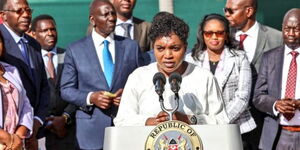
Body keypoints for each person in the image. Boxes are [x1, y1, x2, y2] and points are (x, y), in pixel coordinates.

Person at [114, 13, 228, 126]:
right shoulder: (138, 77)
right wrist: (150, 122)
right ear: (153, 47)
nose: (168, 55)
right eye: (160, 48)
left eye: (175, 48)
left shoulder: (204, 78)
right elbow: (121, 120)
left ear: (185, 47)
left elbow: (222, 120)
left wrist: (189, 119)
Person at [60, 0, 143, 149]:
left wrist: (127, 96)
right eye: (105, 14)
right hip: (90, 132)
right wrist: (91, 97)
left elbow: (143, 84)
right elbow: (66, 90)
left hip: (126, 129)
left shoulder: (131, 46)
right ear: (93, 20)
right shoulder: (75, 50)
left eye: (113, 13)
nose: (111, 17)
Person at [186, 13, 256, 150]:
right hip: (201, 130)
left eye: (219, 33)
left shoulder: (240, 58)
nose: (214, 37)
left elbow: (242, 97)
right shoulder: (191, 60)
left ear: (226, 34)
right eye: (209, 33)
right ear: (202, 34)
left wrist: (219, 122)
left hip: (236, 130)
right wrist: (202, 122)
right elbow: (188, 95)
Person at [224, 0, 283, 148]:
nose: (226, 14)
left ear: (249, 11)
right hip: (231, 119)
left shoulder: (277, 38)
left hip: (266, 118)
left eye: (231, 10)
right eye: (225, 9)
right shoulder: (221, 37)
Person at [0, 0, 49, 149]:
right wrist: (10, 138)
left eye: (28, 10)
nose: (26, 14)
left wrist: (34, 123)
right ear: (4, 15)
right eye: (19, 11)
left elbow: (43, 87)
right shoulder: (1, 40)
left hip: (29, 132)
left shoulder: (34, 44)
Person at [253, 8, 300, 150]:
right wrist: (276, 104)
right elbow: (258, 97)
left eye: (296, 29)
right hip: (277, 135)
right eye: (287, 29)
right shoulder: (269, 57)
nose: (290, 34)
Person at [31, 14, 76, 150]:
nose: (50, 34)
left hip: (68, 131)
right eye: (45, 31)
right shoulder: (30, 60)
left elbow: (78, 88)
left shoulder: (70, 55)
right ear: (34, 34)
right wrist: (44, 121)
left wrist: (65, 117)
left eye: (53, 29)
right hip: (39, 131)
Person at [0, 31, 33, 150]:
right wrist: (7, 138)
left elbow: (26, 104)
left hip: (17, 143)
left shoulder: (11, 70)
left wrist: (19, 135)